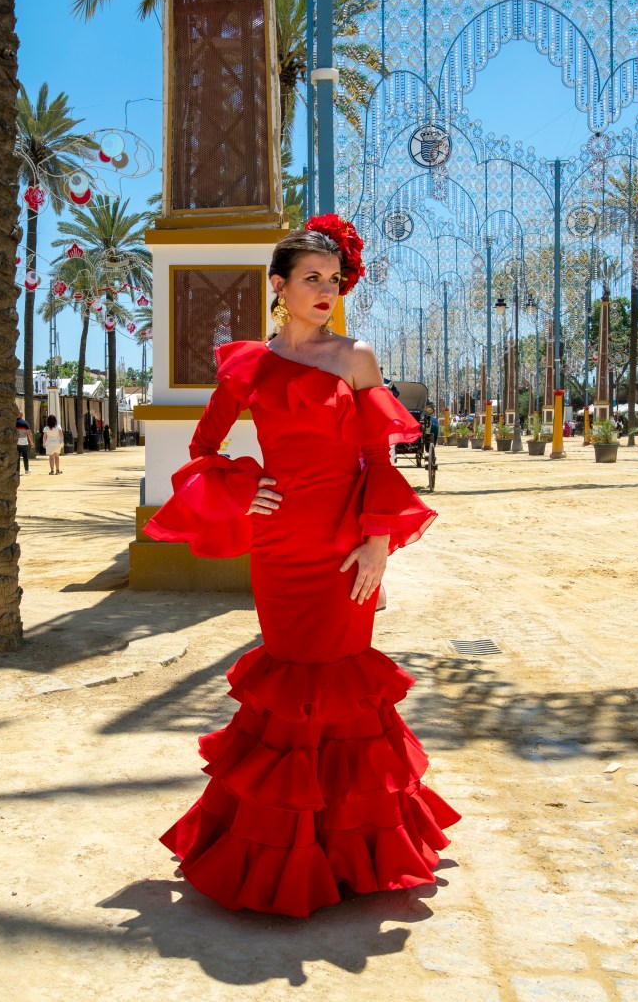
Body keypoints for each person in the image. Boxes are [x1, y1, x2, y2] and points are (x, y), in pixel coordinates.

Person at [144, 217, 460, 918]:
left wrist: (377, 541)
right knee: (287, 683)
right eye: (311, 278)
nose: (326, 290)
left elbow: (376, 459)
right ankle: (280, 844)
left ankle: (356, 846)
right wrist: (239, 486)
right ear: (278, 286)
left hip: (343, 546)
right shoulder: (249, 365)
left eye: (334, 279)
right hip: (279, 549)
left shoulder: (356, 357)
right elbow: (202, 447)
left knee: (344, 682)